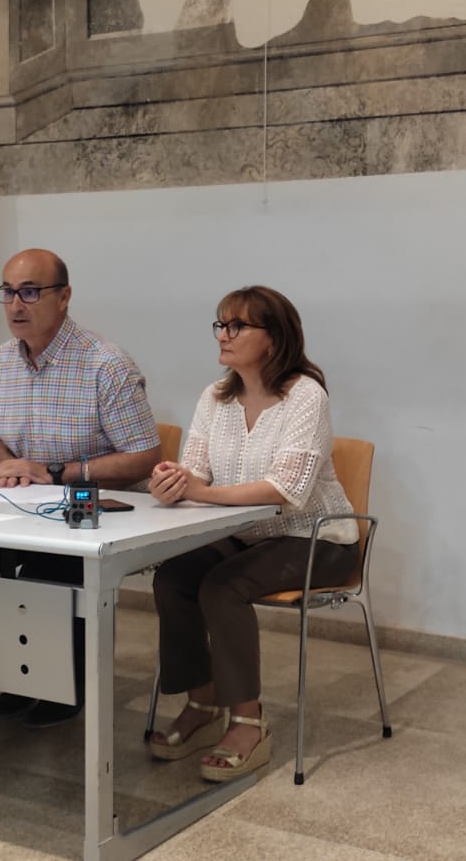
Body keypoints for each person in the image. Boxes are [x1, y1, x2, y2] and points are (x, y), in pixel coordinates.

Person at [147, 286, 358, 782]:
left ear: (274, 337)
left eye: (237, 326)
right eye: (220, 324)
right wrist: (172, 481)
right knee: (174, 577)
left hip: (320, 539)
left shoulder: (306, 395)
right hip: (248, 535)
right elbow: (195, 470)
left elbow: (286, 491)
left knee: (223, 586)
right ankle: (202, 705)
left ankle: (247, 721)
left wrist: (200, 491)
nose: (224, 335)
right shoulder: (214, 397)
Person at [0, 248, 161, 727]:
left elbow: (145, 457)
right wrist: (11, 464)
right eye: (9, 292)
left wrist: (55, 472)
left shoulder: (106, 365)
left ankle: (64, 685)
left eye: (31, 292)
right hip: (17, 503)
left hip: (91, 509)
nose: (17, 304)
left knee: (49, 562)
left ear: (64, 297)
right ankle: (15, 676)